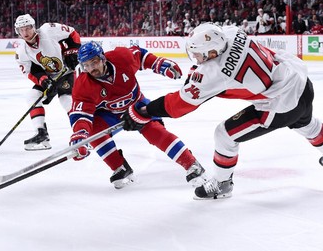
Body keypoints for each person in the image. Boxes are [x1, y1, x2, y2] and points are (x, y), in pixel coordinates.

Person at [121, 22, 323, 199]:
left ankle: (221, 184)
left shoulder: (215, 73)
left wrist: (145, 111)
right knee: (305, 123)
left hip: (282, 105)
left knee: (225, 135)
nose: (197, 58)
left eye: (200, 55)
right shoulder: (232, 33)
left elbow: (179, 104)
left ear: (212, 53)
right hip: (300, 81)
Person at [69, 41, 207, 189]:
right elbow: (81, 114)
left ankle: (191, 164)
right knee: (94, 132)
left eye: (94, 62)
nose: (91, 68)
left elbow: (140, 56)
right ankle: (120, 167)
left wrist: (158, 63)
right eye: (86, 65)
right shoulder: (83, 84)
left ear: (103, 58)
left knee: (155, 132)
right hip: (110, 114)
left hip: (136, 106)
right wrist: (81, 135)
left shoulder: (121, 58)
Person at [15, 14, 81, 150]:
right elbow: (31, 72)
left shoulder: (48, 30)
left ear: (34, 27)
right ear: (18, 32)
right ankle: (41, 133)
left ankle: (82, 133)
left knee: (66, 99)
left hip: (66, 71)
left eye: (28, 28)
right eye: (22, 30)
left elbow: (72, 33)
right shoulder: (22, 51)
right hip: (49, 77)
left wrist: (72, 52)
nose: (25, 32)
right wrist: (43, 81)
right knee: (32, 97)